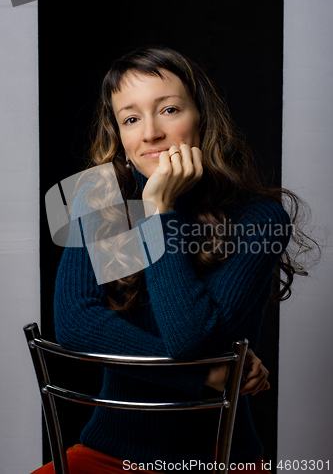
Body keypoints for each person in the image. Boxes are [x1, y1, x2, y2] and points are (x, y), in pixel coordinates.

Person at [33, 45, 306, 474]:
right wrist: (203, 377)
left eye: (169, 109)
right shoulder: (103, 196)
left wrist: (160, 209)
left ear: (202, 117)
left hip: (216, 460)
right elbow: (76, 322)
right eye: (131, 118)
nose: (150, 133)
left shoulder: (258, 216)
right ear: (120, 136)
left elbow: (191, 340)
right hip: (106, 454)